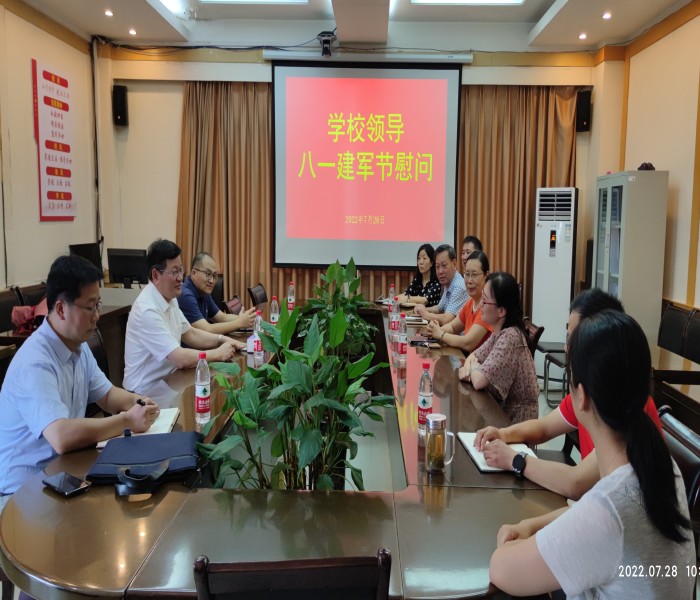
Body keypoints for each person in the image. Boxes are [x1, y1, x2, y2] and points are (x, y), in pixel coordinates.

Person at [489, 311, 695, 598]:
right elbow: (591, 514)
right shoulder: (662, 465)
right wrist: (531, 525)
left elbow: (501, 569)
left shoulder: (609, 512)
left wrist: (510, 542)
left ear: (582, 396)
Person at [0, 255, 160, 509]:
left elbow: (107, 395)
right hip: (19, 495)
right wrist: (127, 420)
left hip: (61, 475)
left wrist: (137, 401)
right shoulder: (35, 362)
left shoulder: (78, 346)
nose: (97, 316)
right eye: (90, 307)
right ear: (61, 309)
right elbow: (61, 437)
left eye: (98, 305)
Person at [473, 288, 662, 499]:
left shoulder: (626, 406)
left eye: (573, 337)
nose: (566, 347)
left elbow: (576, 483)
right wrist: (503, 434)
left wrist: (515, 460)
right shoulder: (589, 392)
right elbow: (544, 427)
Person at [123, 239, 242, 394]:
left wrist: (224, 339)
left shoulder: (170, 298)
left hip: (171, 382)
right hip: (144, 394)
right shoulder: (147, 310)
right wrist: (218, 353)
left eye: (181, 270)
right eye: (174, 272)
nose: (180, 278)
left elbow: (191, 334)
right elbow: (180, 359)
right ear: (156, 275)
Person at [458, 272, 538, 423]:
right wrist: (473, 368)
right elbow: (473, 356)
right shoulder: (498, 333)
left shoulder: (511, 336)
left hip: (516, 423)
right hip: (499, 411)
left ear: (501, 311)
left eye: (485, 301)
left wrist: (473, 369)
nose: (480, 305)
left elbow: (479, 381)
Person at [427, 250, 492, 352]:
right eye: (467, 274)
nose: (469, 281)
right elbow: (453, 327)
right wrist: (434, 330)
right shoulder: (471, 302)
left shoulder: (488, 305)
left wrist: (440, 334)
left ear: (486, 275)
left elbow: (468, 343)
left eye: (474, 275)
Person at [178, 252, 256, 334]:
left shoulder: (203, 291)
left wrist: (245, 318)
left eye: (214, 275)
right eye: (208, 274)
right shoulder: (186, 295)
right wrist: (239, 323)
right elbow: (206, 329)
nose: (212, 281)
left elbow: (222, 317)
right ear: (194, 273)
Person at [414, 244, 468, 326]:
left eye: (444, 266)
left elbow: (446, 319)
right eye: (437, 267)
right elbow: (439, 308)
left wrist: (425, 314)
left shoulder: (458, 286)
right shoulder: (448, 283)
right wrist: (422, 309)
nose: (440, 271)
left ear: (454, 264)